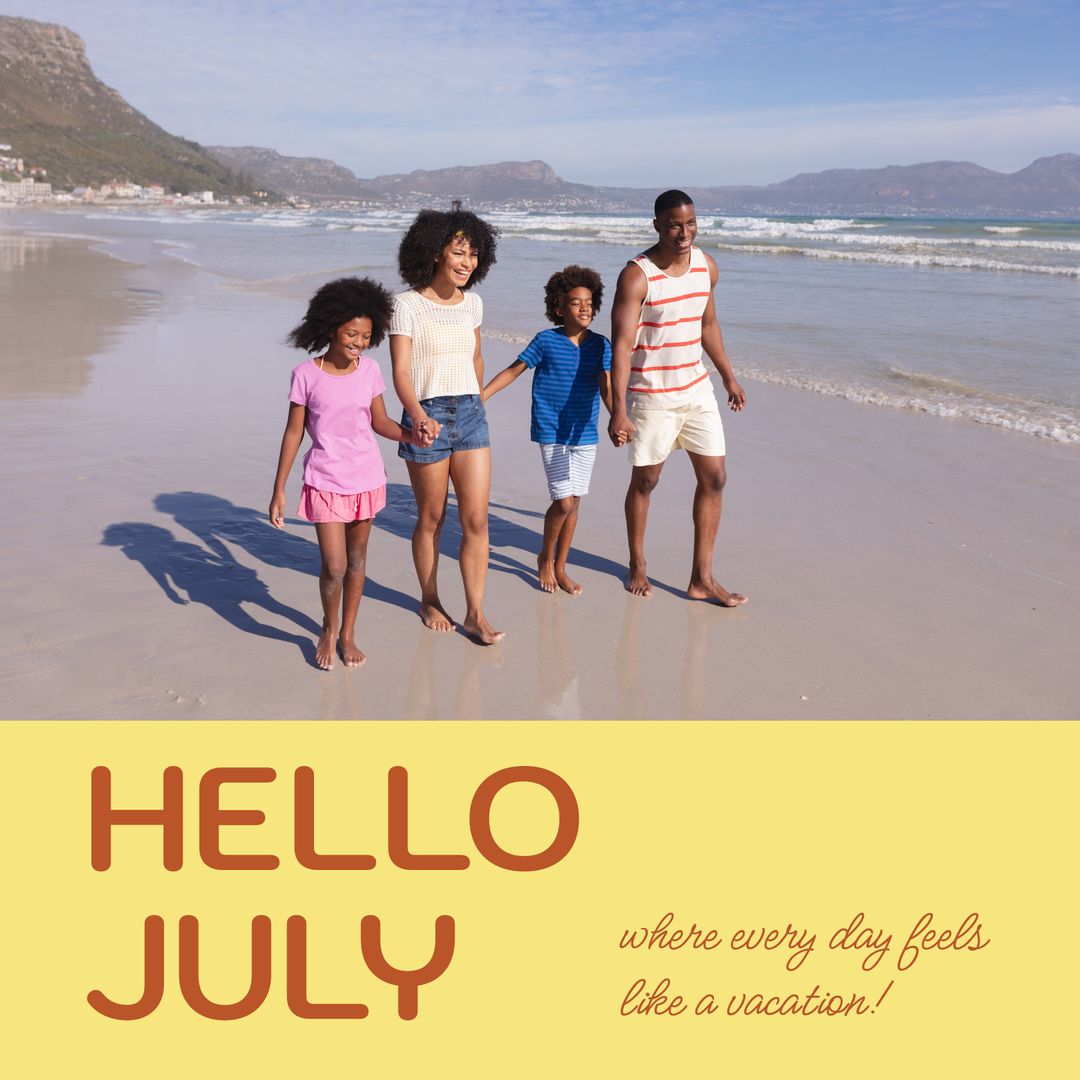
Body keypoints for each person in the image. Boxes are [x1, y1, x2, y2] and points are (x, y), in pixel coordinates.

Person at [269, 277, 432, 670]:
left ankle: (348, 634)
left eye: (366, 335)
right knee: (335, 565)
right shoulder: (306, 374)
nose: (358, 341)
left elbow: (380, 422)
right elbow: (293, 433)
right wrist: (279, 490)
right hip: (324, 479)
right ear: (330, 328)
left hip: (366, 477)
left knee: (357, 561)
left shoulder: (370, 370)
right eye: (351, 334)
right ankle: (328, 627)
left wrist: (412, 433)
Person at [607, 190, 748, 605]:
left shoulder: (707, 267)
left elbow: (709, 325)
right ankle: (637, 563)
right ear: (657, 226)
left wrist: (729, 378)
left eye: (690, 223)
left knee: (715, 478)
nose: (683, 232)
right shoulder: (637, 275)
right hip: (651, 396)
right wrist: (618, 409)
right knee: (646, 481)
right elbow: (621, 344)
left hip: (696, 389)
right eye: (673, 225)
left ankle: (701, 578)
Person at [390, 209, 505, 645]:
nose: (467, 262)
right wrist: (418, 416)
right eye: (459, 252)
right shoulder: (406, 305)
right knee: (432, 516)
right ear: (435, 252)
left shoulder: (473, 303)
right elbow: (400, 372)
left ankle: (476, 612)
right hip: (426, 414)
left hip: (471, 414)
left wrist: (477, 398)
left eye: (474, 254)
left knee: (476, 518)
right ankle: (430, 597)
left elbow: (475, 357)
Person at [483, 264, 616, 595]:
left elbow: (607, 386)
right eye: (575, 302)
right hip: (552, 429)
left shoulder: (601, 345)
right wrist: (482, 395)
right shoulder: (545, 341)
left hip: (585, 431)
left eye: (589, 301)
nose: (584, 307)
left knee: (575, 500)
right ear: (559, 308)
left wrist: (618, 418)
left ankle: (560, 565)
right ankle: (545, 557)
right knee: (564, 500)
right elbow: (515, 370)